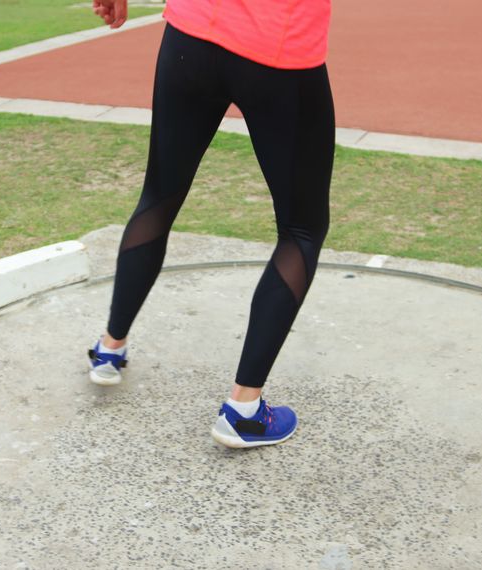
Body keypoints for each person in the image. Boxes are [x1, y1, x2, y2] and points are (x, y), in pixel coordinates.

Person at [87, 0, 334, 448]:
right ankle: (244, 411)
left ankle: (110, 348)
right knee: (302, 230)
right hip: (278, 47)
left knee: (159, 196)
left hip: (191, 34)